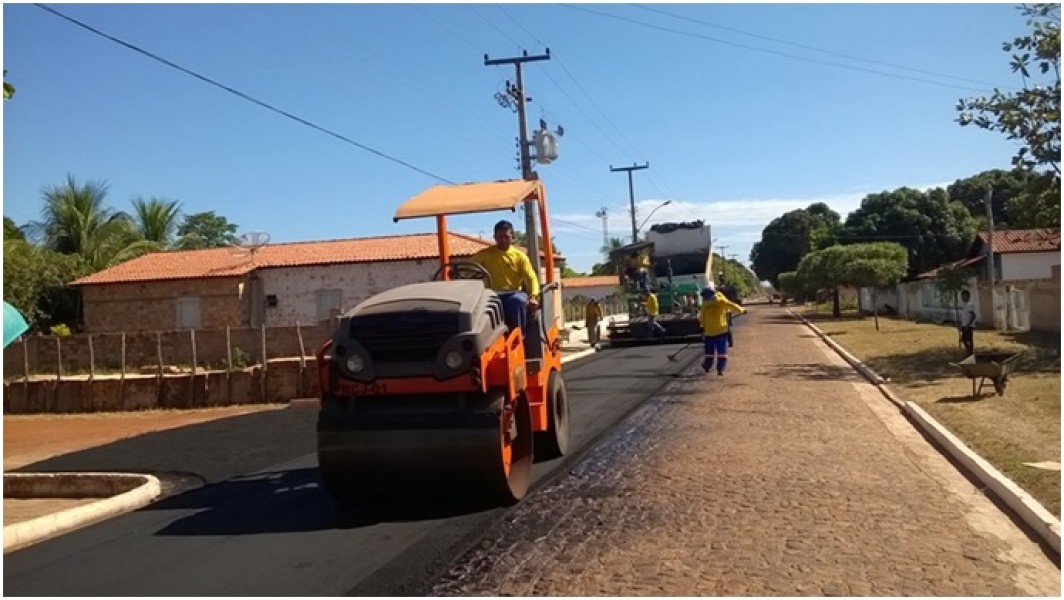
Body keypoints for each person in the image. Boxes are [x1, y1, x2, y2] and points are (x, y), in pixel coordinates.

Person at [471, 220, 540, 332]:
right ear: (494, 237)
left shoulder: (520, 256)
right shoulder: (484, 254)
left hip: (513, 293)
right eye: (500, 237)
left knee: (517, 302)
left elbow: (531, 277)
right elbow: (469, 268)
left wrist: (533, 296)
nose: (503, 240)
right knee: (475, 308)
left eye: (506, 237)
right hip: (491, 294)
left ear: (512, 237)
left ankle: (518, 339)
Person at [698, 285, 746, 376]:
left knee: (709, 352)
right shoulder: (720, 300)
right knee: (721, 351)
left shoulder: (706, 304)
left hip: (710, 332)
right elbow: (731, 305)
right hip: (721, 331)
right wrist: (741, 310)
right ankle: (720, 369)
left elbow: (702, 317)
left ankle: (707, 366)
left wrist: (702, 328)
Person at [958, 289, 977, 356]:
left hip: (969, 326)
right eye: (962, 296)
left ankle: (970, 352)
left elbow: (973, 315)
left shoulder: (969, 304)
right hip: (964, 325)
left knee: (968, 340)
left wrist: (968, 325)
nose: (963, 298)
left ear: (968, 296)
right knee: (964, 339)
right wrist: (961, 324)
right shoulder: (964, 305)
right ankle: (969, 352)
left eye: (964, 296)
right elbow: (964, 316)